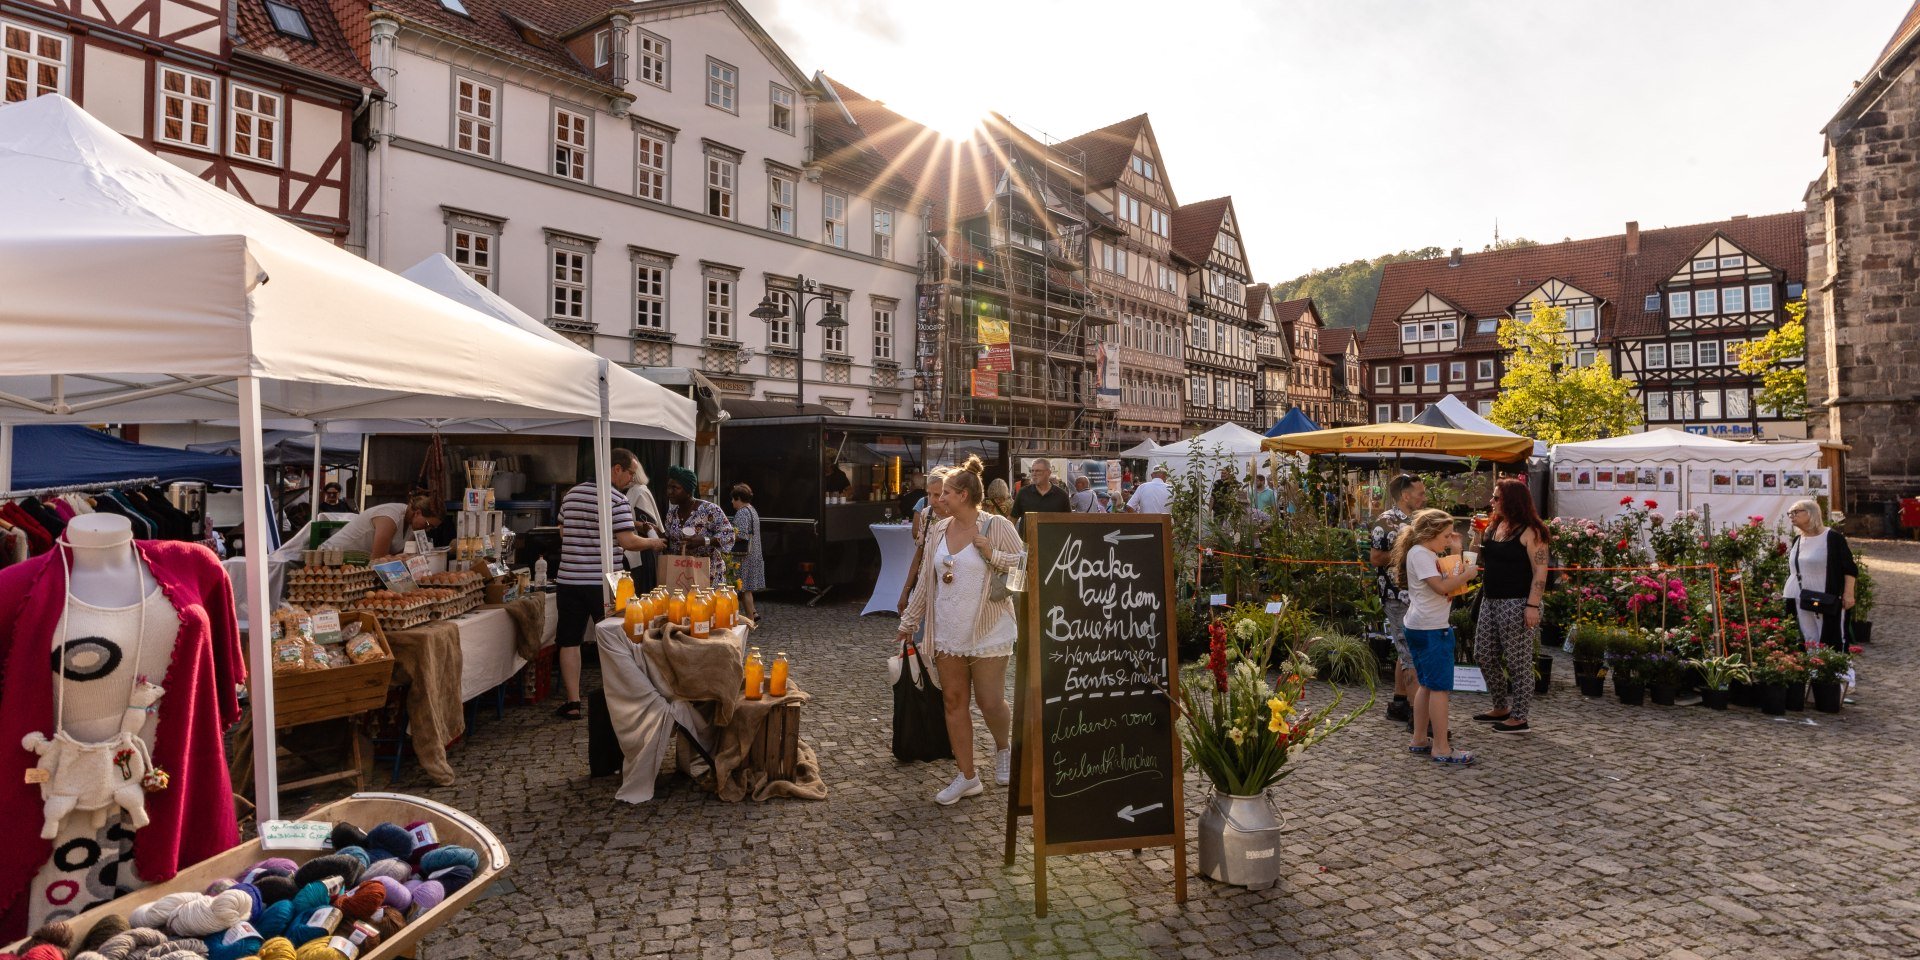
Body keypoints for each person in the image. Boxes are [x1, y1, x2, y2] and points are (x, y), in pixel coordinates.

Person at [896, 455, 1024, 805]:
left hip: (989, 630)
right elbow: (926, 580)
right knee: (953, 702)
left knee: (989, 701)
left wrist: (994, 554)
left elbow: (1025, 572)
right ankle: (967, 776)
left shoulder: (996, 526)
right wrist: (910, 622)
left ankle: (1003, 749)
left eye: (945, 494)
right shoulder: (937, 528)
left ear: (963, 495)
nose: (939, 500)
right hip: (948, 631)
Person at [555, 449, 665, 720]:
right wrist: (653, 542)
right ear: (616, 469)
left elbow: (562, 532)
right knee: (617, 637)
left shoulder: (571, 495)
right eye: (629, 473)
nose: (631, 479)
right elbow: (628, 542)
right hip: (605, 581)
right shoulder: (616, 499)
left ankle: (572, 702)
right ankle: (620, 698)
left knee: (570, 640)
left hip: (569, 579)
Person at [1395, 508, 1479, 765]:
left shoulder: (1424, 553)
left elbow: (1450, 582)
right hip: (1431, 629)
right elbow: (1443, 586)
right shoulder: (1421, 554)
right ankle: (1441, 747)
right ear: (1430, 533)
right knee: (1440, 688)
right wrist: (1469, 573)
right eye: (1445, 536)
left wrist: (1455, 550)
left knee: (1427, 685)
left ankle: (1420, 738)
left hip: (1423, 625)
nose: (1447, 540)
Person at [1471, 478, 1550, 734]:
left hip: (1516, 602)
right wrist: (1475, 534)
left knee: (1518, 661)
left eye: (1496, 498)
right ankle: (1500, 706)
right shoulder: (1495, 526)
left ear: (1512, 501)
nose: (1491, 502)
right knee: (1483, 654)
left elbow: (1540, 571)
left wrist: (1533, 605)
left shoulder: (1531, 531)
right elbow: (1477, 556)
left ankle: (1520, 717)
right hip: (1490, 599)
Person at [1370, 474, 1426, 727]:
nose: (1424, 498)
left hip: (1417, 593)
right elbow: (1375, 558)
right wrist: (1407, 555)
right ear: (1405, 495)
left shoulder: (1420, 520)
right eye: (1420, 493)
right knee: (1410, 653)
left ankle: (1399, 703)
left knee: (1404, 650)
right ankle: (1418, 716)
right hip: (1396, 595)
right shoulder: (1386, 522)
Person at [1783, 498, 1858, 648]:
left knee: (1834, 636)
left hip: (1827, 595)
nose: (1791, 516)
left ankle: (1838, 670)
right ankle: (1814, 669)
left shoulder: (1832, 538)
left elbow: (1849, 568)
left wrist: (1848, 594)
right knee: (1809, 636)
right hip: (1802, 596)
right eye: (1789, 513)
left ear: (1811, 513)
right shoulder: (1798, 539)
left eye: (1796, 512)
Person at [661, 465, 736, 585]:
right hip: (681, 574)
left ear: (688, 490)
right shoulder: (672, 513)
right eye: (668, 487)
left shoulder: (709, 510)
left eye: (675, 488)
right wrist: (656, 533)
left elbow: (729, 536)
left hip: (708, 575)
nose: (669, 492)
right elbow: (669, 540)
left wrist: (704, 541)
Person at [317, 492, 443, 557]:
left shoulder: (413, 526)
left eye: (432, 527)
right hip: (333, 557)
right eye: (428, 524)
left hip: (358, 563)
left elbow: (398, 555)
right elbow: (379, 559)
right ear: (418, 513)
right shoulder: (389, 517)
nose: (427, 529)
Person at [901, 468, 951, 611]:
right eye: (929, 494)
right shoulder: (927, 514)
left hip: (948, 587)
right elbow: (919, 554)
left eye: (937, 494)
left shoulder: (958, 517)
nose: (932, 500)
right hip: (925, 586)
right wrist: (906, 590)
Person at [622, 461, 665, 591]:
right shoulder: (626, 491)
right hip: (629, 553)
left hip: (642, 554)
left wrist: (624, 522)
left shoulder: (639, 491)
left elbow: (650, 526)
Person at [730, 483, 763, 620]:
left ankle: (750, 619)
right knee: (746, 588)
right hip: (753, 553)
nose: (732, 502)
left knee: (743, 589)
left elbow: (741, 534)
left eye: (733, 499)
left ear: (739, 498)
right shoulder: (752, 510)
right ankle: (753, 613)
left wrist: (727, 537)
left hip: (744, 556)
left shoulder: (742, 512)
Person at [1011, 458, 1071, 528]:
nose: (1034, 474)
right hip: (1027, 538)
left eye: (1038, 471)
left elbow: (1069, 521)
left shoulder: (1062, 495)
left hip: (1054, 538)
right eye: (1032, 471)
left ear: (1048, 472)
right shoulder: (1023, 492)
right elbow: (1013, 519)